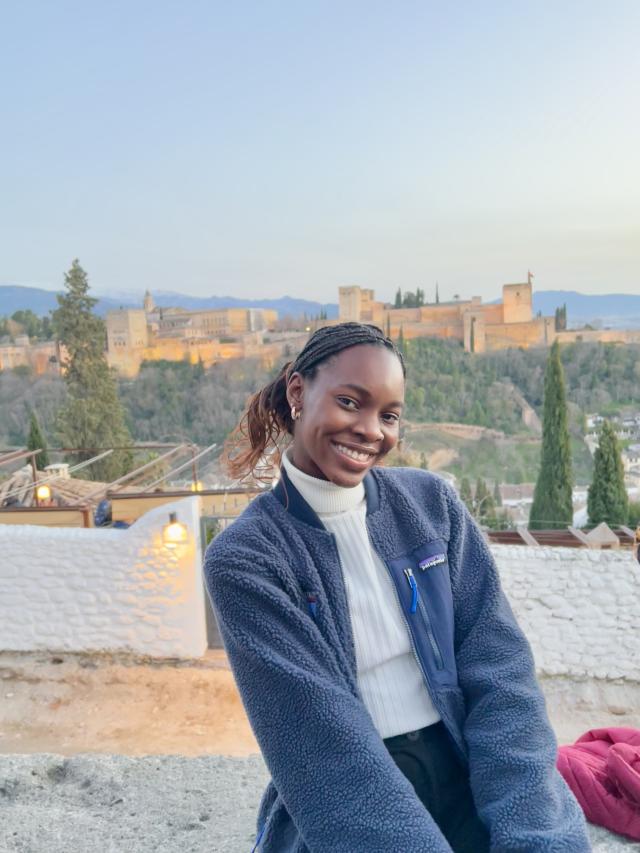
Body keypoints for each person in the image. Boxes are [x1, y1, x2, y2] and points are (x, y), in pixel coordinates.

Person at [204, 322, 589, 852]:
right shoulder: (246, 560)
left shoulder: (432, 506)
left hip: (462, 769)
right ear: (298, 392)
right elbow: (322, 751)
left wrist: (534, 834)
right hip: (351, 800)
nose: (370, 430)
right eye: (348, 401)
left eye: (388, 416)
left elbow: (500, 674)